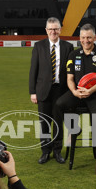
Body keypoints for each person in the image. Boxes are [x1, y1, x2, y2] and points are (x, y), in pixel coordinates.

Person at [55, 23, 96, 175]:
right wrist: (74, 91)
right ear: (79, 38)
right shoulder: (73, 55)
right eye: (83, 38)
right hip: (77, 93)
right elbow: (70, 78)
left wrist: (90, 90)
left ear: (95, 38)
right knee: (59, 104)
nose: (86, 41)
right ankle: (74, 129)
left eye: (89, 38)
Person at [29, 17, 74, 164]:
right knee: (44, 123)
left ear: (60, 29)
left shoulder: (68, 47)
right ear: (46, 30)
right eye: (50, 29)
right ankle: (45, 152)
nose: (53, 31)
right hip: (43, 91)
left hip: (61, 91)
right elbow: (33, 70)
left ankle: (57, 151)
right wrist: (32, 92)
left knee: (58, 122)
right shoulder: (39, 46)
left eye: (56, 28)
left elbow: (70, 71)